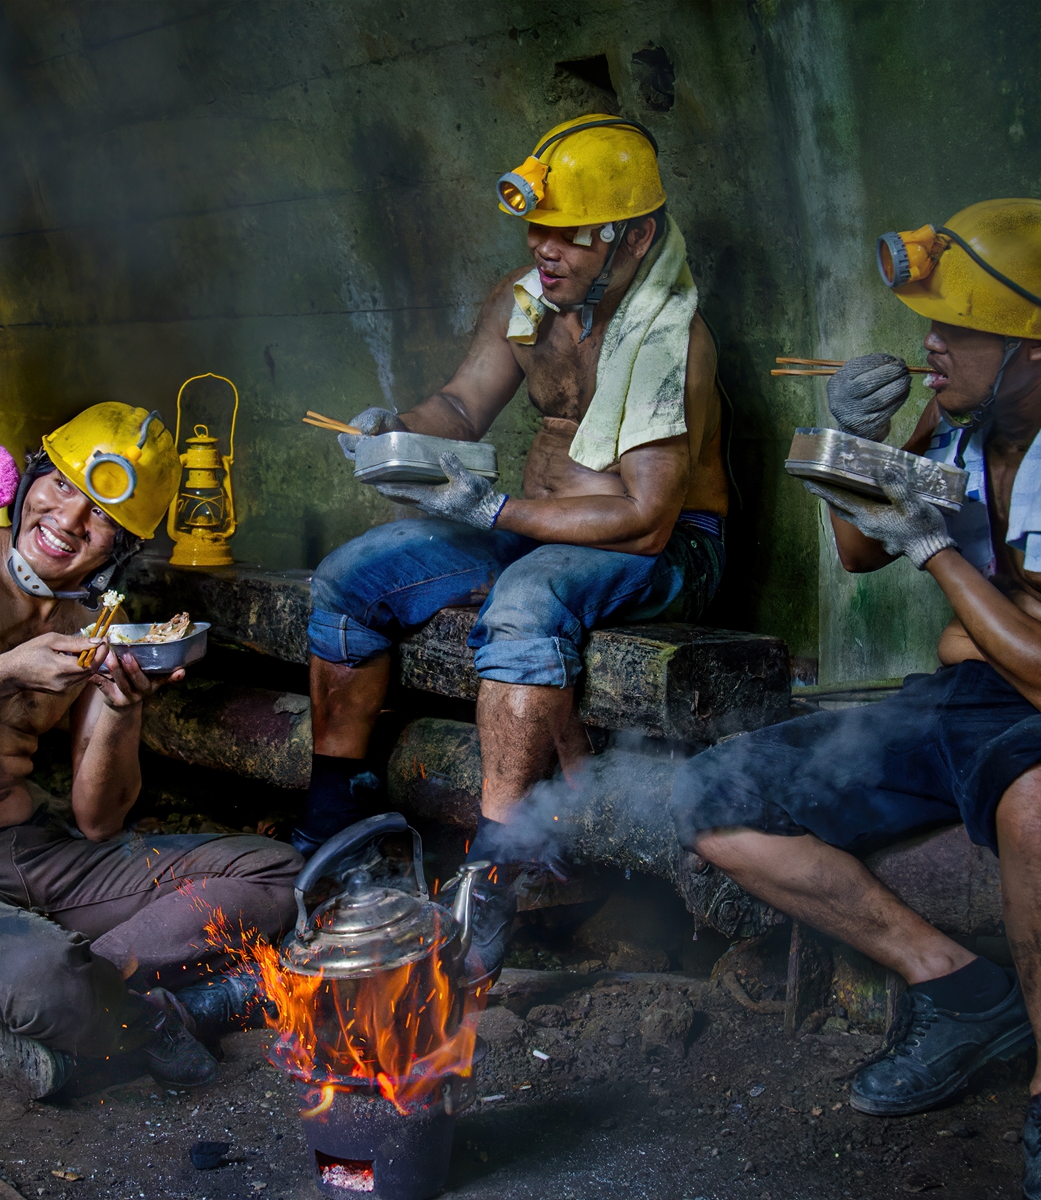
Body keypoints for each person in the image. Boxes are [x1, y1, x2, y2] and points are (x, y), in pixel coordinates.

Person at [672, 199, 1041, 1200]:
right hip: (966, 693)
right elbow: (863, 551)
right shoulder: (959, 418)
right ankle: (961, 988)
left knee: (1039, 791)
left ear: (1037, 345)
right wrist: (854, 439)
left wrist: (935, 546)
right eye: (931, 324)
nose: (930, 346)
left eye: (957, 329)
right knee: (712, 798)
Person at [300, 114, 730, 978]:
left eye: (570, 234)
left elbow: (647, 519)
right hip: (528, 524)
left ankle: (494, 874)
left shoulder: (670, 340)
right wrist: (395, 433)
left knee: (526, 604)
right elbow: (462, 409)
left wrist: (495, 508)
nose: (546, 249)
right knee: (351, 578)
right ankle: (334, 816)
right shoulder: (526, 299)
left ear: (636, 237)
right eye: (538, 227)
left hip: (667, 550)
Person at [0, 404, 302, 1092]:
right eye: (62, 485)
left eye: (102, 514)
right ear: (30, 479)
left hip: (40, 856)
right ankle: (131, 1002)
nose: (70, 519)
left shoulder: (94, 620)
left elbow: (99, 821)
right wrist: (4, 674)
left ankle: (91, 996)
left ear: (123, 545)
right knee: (41, 976)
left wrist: (122, 706)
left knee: (275, 873)